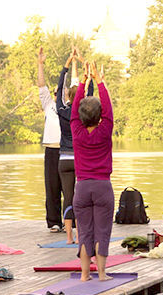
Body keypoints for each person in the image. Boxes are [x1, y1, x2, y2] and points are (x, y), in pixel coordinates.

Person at [71, 62, 114, 282]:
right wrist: (99, 81)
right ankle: (103, 273)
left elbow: (73, 112)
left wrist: (82, 82)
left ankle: (85, 275)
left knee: (85, 232)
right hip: (102, 186)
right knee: (102, 231)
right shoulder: (105, 130)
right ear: (99, 117)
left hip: (82, 187)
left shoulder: (76, 131)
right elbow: (108, 110)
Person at [52, 47, 86, 244]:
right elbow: (89, 91)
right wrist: (84, 70)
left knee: (68, 197)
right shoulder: (82, 113)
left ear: (67, 97)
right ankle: (81, 234)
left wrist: (66, 67)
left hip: (64, 158)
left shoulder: (62, 110)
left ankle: (68, 237)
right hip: (80, 159)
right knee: (80, 199)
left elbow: (59, 89)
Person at [36, 47, 65, 234]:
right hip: (51, 150)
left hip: (67, 150)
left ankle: (72, 219)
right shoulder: (49, 106)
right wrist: (40, 64)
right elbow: (41, 85)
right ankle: (54, 221)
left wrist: (72, 65)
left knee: (69, 188)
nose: (57, 95)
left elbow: (76, 84)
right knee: (52, 187)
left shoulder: (69, 108)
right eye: (56, 93)